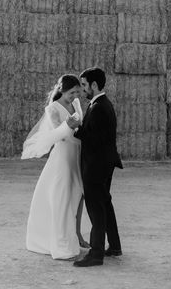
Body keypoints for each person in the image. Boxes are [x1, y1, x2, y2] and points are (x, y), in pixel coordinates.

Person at [22, 74, 90, 260]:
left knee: (76, 196)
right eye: (71, 92)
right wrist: (68, 125)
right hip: (63, 156)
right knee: (61, 197)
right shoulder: (52, 109)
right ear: (62, 90)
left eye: (78, 91)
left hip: (77, 154)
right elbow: (57, 136)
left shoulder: (76, 104)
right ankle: (60, 244)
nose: (75, 95)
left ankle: (74, 237)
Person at [68, 67, 123, 267]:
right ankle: (115, 246)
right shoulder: (100, 104)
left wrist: (76, 129)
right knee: (105, 204)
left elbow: (95, 139)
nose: (82, 90)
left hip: (97, 166)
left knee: (96, 209)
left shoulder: (99, 107)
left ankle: (96, 254)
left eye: (84, 85)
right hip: (105, 163)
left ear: (94, 85)